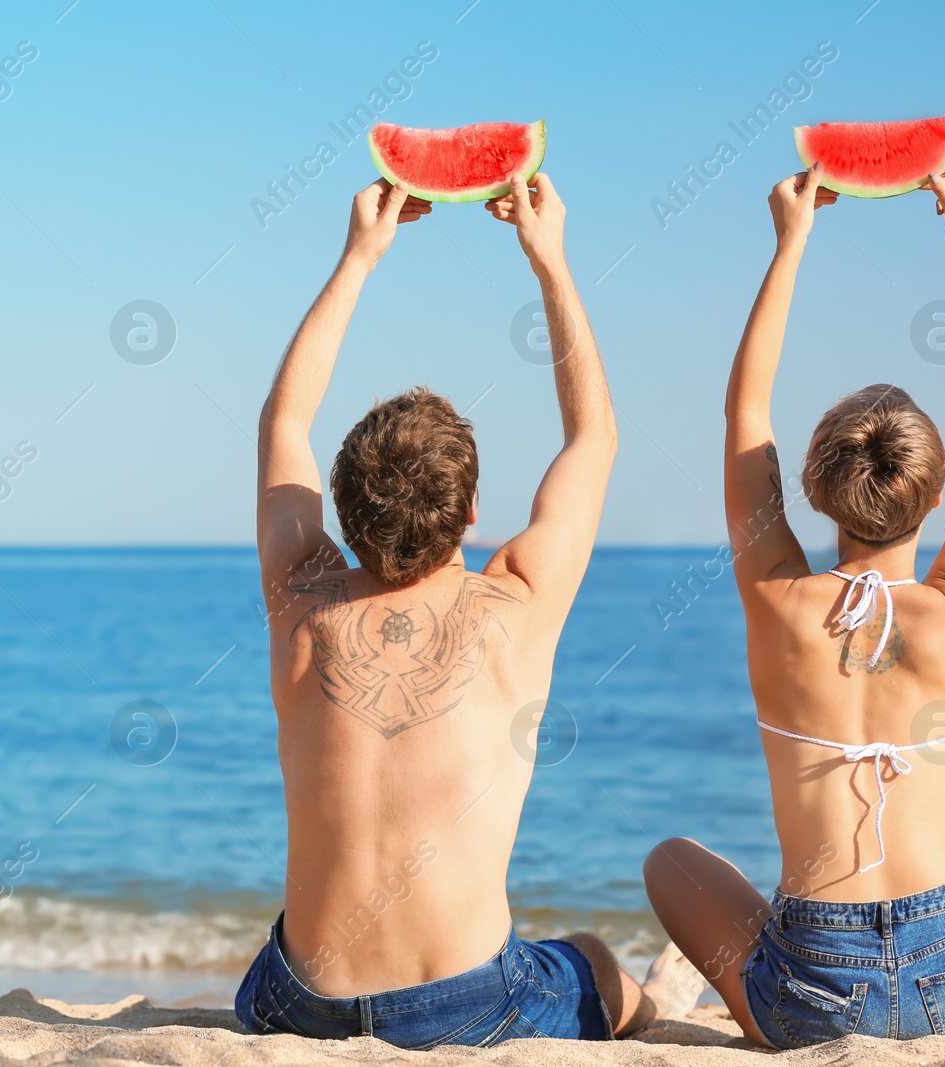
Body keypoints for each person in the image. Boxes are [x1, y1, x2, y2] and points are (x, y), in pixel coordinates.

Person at [234, 174, 699, 1049]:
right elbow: (593, 439)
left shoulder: (300, 597)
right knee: (591, 957)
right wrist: (549, 258)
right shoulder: (515, 605)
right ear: (473, 512)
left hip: (298, 1008)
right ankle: (657, 1012)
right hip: (467, 1008)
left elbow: (283, 417)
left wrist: (358, 257)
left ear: (340, 507)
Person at [642, 162, 945, 1048]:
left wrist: (791, 241)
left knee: (670, 862)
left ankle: (746, 1007)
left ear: (812, 490)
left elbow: (745, 413)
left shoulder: (777, 597)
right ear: (935, 500)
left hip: (813, 983)